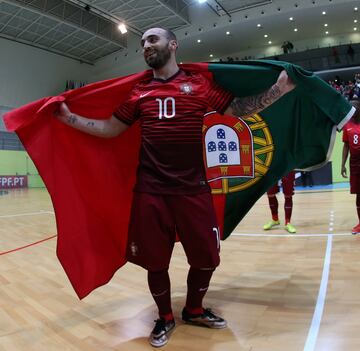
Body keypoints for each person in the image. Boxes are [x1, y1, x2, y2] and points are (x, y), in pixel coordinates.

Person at [54, 27, 295, 347]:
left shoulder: (200, 85)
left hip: (193, 189)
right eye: (142, 44)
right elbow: (111, 129)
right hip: (151, 191)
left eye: (152, 40)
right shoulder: (139, 91)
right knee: (155, 262)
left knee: (207, 257)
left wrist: (279, 89)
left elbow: (237, 109)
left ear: (172, 44)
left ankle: (194, 310)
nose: (145, 46)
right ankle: (165, 317)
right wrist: (69, 118)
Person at [341, 99, 360, 234]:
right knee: (358, 195)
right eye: (351, 107)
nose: (352, 109)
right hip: (354, 164)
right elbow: (346, 146)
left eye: (355, 107)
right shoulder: (347, 125)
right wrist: (342, 165)